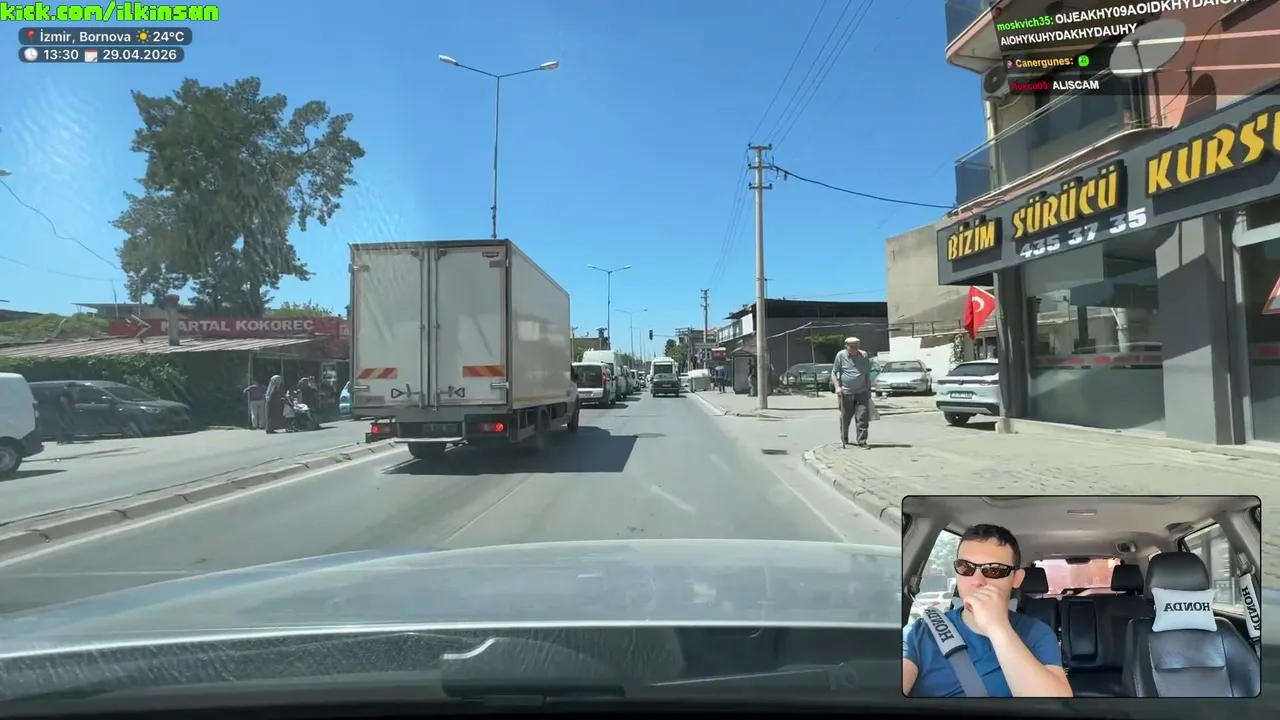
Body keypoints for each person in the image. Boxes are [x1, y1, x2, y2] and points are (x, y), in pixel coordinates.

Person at [902, 524, 1072, 698]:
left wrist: (998, 628)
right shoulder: (918, 633)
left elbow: (1055, 704)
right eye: (966, 567)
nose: (977, 581)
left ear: (1017, 579)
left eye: (994, 570)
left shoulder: (1037, 634)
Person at [832, 336, 873, 448]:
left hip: (862, 391)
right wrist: (837, 387)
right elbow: (834, 372)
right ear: (846, 346)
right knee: (845, 417)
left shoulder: (864, 355)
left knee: (862, 418)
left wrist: (869, 388)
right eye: (851, 346)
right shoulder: (841, 355)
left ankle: (862, 441)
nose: (854, 348)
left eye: (856, 346)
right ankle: (844, 439)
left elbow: (867, 373)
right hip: (846, 392)